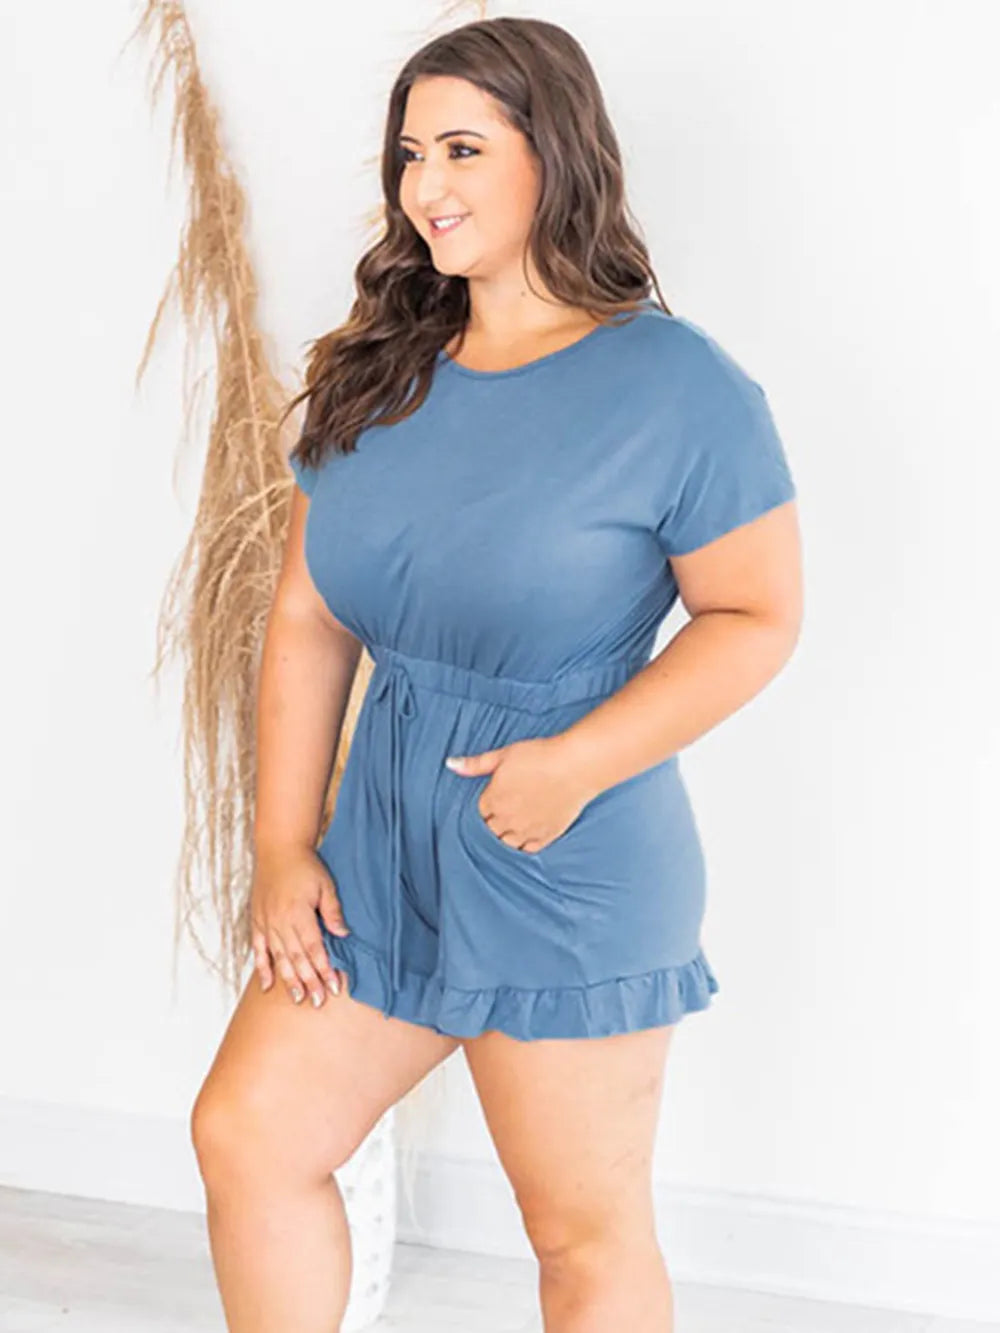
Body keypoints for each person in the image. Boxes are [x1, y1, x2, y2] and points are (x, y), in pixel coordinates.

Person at [190, 15, 802, 1333]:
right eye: (411, 154)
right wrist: (284, 843)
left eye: (462, 149)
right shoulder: (379, 369)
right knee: (250, 1134)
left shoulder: (679, 388)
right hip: (377, 845)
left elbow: (755, 615)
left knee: (580, 1237)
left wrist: (574, 764)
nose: (426, 186)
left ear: (555, 154)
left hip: (561, 850)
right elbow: (309, 614)